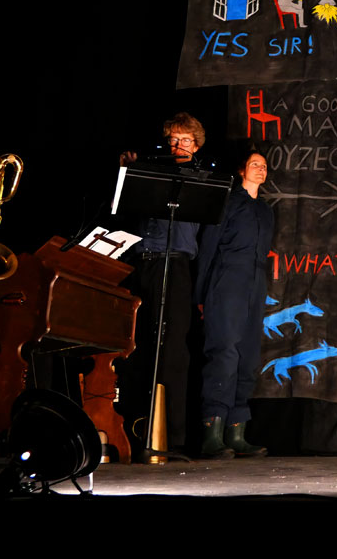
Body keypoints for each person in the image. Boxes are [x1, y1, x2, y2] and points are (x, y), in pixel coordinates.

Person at [119, 112, 207, 457]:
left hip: (178, 265)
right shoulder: (150, 174)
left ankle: (172, 436)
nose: (178, 145)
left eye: (185, 140)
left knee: (172, 352)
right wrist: (128, 172)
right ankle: (133, 430)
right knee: (136, 347)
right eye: (173, 139)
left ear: (196, 145)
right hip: (142, 264)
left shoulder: (201, 179)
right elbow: (122, 211)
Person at [194, 146, 274, 458]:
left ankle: (236, 431)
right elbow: (209, 247)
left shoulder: (265, 210)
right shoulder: (228, 200)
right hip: (227, 278)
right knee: (224, 352)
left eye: (265, 166)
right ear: (242, 170)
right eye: (255, 164)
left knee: (248, 354)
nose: (261, 169)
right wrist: (201, 294)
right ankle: (212, 434)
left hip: (255, 282)